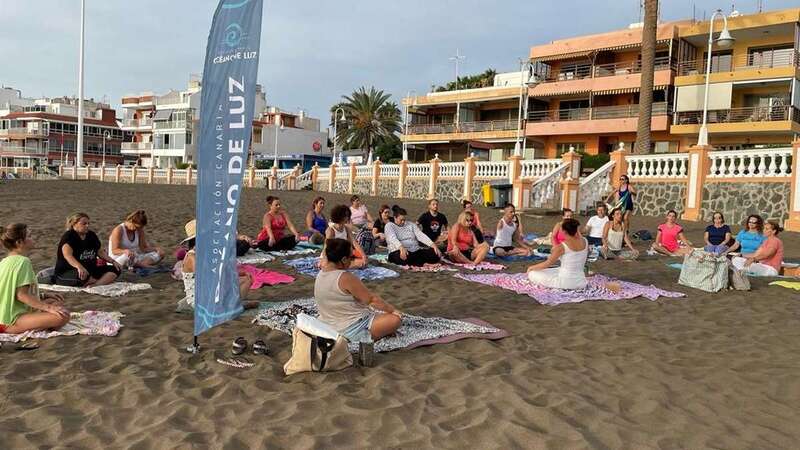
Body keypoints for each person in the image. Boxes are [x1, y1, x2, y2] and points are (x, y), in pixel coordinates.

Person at [315, 238, 402, 343]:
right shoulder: (345, 277)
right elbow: (371, 300)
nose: (353, 260)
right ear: (343, 260)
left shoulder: (321, 274)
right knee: (395, 320)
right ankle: (364, 336)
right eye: (351, 257)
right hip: (348, 328)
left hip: (326, 324)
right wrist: (392, 310)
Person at [0, 223, 70, 335]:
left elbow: (9, 291)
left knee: (55, 302)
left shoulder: (5, 261)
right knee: (63, 315)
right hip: (10, 318)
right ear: (19, 242)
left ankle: (35, 322)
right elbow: (21, 295)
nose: (33, 239)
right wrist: (48, 308)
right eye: (29, 236)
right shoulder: (23, 261)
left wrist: (43, 296)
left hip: (5, 310)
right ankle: (10, 330)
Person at [179, 220, 256, 311]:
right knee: (241, 281)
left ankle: (231, 304)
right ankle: (231, 306)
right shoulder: (192, 257)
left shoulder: (201, 253)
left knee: (246, 279)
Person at [55, 213, 122, 286]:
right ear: (74, 224)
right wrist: (79, 267)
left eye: (88, 223)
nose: (87, 226)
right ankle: (99, 281)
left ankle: (96, 284)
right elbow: (68, 255)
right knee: (82, 276)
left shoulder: (91, 235)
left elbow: (99, 252)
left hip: (90, 269)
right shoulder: (69, 236)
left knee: (116, 269)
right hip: (69, 271)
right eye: (84, 224)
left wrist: (112, 261)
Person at [527, 218, 588, 290]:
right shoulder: (585, 241)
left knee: (532, 273)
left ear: (564, 231)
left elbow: (547, 263)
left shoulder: (562, 247)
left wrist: (531, 268)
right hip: (581, 281)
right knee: (555, 270)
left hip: (566, 283)